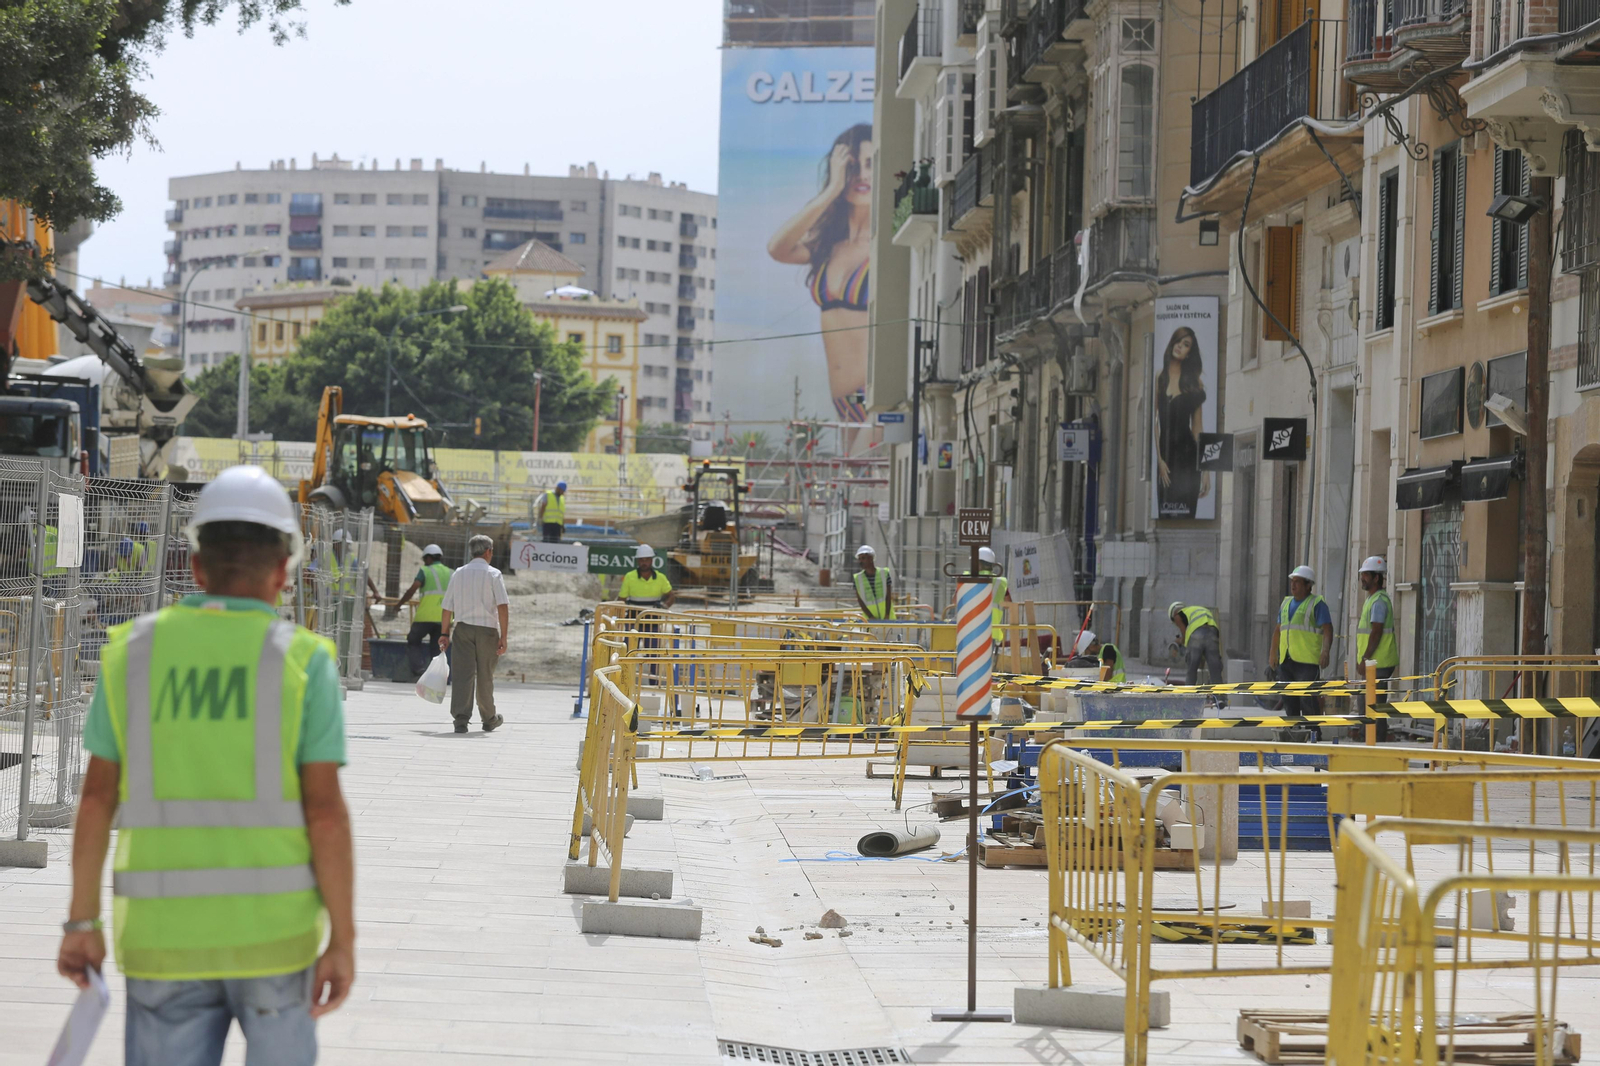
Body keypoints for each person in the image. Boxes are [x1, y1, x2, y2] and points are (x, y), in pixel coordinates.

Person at [57, 464, 355, 1066]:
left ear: (194, 568)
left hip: (164, 944)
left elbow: (94, 803)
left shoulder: (131, 655)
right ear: (283, 572)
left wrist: (80, 921)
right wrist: (342, 940)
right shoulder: (305, 662)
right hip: (277, 941)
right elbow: (325, 814)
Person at [767, 123, 873, 422]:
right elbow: (777, 248)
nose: (862, 175)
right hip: (844, 402)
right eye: (852, 166)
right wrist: (830, 192)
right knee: (854, 470)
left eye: (871, 164)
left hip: (876, 394)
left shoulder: (887, 244)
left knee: (860, 465)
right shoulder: (829, 245)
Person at [439, 534, 509, 734]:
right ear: (488, 551)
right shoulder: (494, 574)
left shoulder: (458, 573)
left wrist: (445, 633)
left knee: (462, 675)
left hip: (463, 629)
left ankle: (461, 720)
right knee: (485, 675)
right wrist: (503, 636)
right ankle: (488, 718)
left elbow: (447, 608)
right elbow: (503, 607)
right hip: (487, 631)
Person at [1154, 326, 1211, 519]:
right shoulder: (1159, 378)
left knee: (1186, 513)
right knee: (1165, 512)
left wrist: (1206, 471)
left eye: (1186, 344)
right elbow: (1154, 422)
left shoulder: (1194, 384)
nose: (1180, 346)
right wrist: (1160, 460)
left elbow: (1198, 429)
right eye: (1178, 340)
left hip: (1188, 458)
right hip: (1166, 458)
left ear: (1189, 354)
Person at [1269, 565, 1334, 715]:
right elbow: (1278, 630)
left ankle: (1313, 732)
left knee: (1308, 701)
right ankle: (1294, 732)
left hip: (1307, 662)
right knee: (1288, 699)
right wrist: (1273, 653)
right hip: (1286, 660)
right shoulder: (1285, 604)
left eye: (1297, 582)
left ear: (1308, 585)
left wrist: (1325, 651)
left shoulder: (1317, 604)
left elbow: (1327, 629)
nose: (1293, 585)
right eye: (1293, 581)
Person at [1356, 556, 1399, 739]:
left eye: (1366, 575)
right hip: (1376, 661)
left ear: (1376, 578)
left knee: (1370, 700)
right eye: (1362, 575)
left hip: (1379, 661)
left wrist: (1365, 659)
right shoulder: (1373, 599)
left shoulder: (1378, 601)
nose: (1362, 578)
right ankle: (1371, 735)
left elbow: (1376, 632)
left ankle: (1375, 737)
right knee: (1371, 699)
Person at [395, 543, 451, 676]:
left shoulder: (425, 571)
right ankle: (436, 676)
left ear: (429, 558)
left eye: (425, 559)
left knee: (413, 641)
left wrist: (399, 605)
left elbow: (412, 590)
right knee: (437, 647)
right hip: (444, 618)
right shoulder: (451, 572)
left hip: (425, 617)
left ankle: (419, 670)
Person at [616, 544, 676, 610]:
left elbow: (671, 596)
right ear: (638, 561)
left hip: (653, 618)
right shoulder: (629, 577)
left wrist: (664, 606)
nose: (644, 562)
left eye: (647, 559)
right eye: (641, 559)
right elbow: (621, 600)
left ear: (651, 560)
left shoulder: (661, 578)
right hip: (634, 618)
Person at [977, 546, 1013, 647]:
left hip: (970, 630)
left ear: (978, 564)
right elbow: (1009, 604)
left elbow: (955, 601)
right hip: (992, 631)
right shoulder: (1000, 582)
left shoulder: (968, 577)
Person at [852, 544, 893, 621]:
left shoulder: (884, 573)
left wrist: (887, 615)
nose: (861, 561)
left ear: (871, 559)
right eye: (859, 559)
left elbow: (888, 596)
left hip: (887, 619)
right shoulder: (857, 579)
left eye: (863, 558)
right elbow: (860, 601)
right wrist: (870, 617)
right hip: (869, 620)